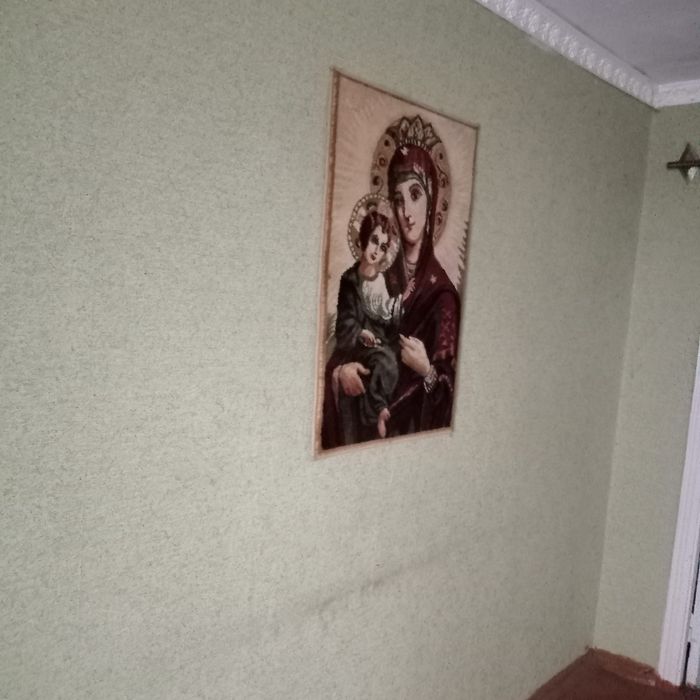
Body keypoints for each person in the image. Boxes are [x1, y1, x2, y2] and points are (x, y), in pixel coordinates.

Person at [321, 117, 460, 448]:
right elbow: (345, 341)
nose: (406, 211)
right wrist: (340, 374)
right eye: (397, 199)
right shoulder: (374, 275)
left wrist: (427, 371)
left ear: (432, 198)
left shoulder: (442, 296)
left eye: (415, 195)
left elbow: (450, 391)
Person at [333, 209, 413, 439]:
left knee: (399, 357)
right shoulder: (349, 280)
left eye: (383, 246)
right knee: (385, 361)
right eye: (374, 241)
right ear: (364, 239)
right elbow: (345, 321)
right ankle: (377, 410)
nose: (377, 250)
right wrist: (361, 332)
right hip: (358, 345)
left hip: (379, 338)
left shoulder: (381, 280)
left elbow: (384, 312)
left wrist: (400, 304)